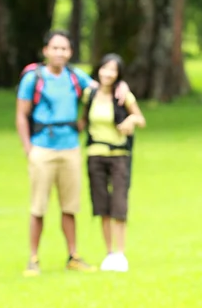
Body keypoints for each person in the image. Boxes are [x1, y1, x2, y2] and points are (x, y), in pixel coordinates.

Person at [16, 30, 98, 276]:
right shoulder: (34, 78)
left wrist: (84, 117)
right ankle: (33, 258)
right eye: (55, 48)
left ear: (70, 52)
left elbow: (99, 89)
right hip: (42, 148)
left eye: (64, 49)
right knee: (38, 207)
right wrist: (27, 146)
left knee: (70, 206)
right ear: (46, 51)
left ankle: (73, 255)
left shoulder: (74, 76)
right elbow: (21, 113)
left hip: (70, 147)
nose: (60, 53)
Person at [80, 53, 145, 272]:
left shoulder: (122, 95)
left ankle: (120, 253)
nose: (107, 73)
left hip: (118, 155)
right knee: (102, 204)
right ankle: (108, 253)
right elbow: (82, 119)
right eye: (104, 68)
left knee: (119, 203)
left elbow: (140, 119)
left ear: (118, 74)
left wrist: (130, 120)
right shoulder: (89, 93)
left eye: (113, 70)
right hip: (94, 153)